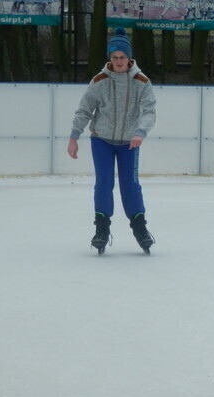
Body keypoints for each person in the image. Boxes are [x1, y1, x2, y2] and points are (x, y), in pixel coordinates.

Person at [67, 27, 157, 255]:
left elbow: (149, 111)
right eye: (115, 57)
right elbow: (84, 109)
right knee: (104, 183)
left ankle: (140, 229)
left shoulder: (141, 81)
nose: (118, 61)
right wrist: (74, 137)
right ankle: (102, 230)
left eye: (122, 57)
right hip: (102, 140)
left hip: (130, 142)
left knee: (130, 185)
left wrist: (140, 132)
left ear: (129, 58)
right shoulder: (99, 81)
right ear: (110, 58)